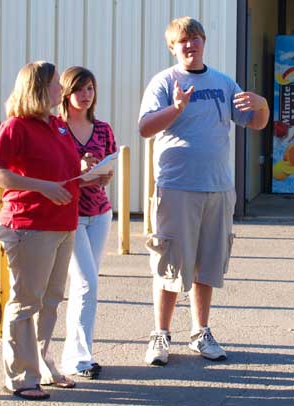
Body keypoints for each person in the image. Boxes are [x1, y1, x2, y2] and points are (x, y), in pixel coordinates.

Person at [138, 16, 269, 366]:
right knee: (169, 263)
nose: (190, 44)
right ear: (172, 47)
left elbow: (254, 123)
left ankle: (201, 332)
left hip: (218, 187)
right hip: (177, 187)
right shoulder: (164, 82)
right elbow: (145, 127)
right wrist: (177, 108)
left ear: (204, 42)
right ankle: (161, 335)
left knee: (207, 265)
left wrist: (263, 105)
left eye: (195, 38)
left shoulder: (224, 82)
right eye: (183, 40)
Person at [0, 61, 81, 401]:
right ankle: (22, 376)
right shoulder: (16, 127)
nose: (62, 90)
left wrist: (91, 173)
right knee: (26, 302)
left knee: (51, 301)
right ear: (38, 88)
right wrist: (41, 187)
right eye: (56, 84)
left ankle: (42, 364)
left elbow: (63, 170)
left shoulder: (58, 125)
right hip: (29, 226)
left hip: (63, 224)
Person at [59, 66, 117, 379]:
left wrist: (102, 172)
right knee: (86, 283)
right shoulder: (57, 128)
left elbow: (109, 169)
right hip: (69, 215)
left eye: (91, 89)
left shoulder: (103, 129)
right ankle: (79, 360)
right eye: (80, 89)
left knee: (86, 286)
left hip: (100, 212)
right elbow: (53, 171)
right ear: (66, 93)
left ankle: (76, 354)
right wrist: (78, 166)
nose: (86, 95)